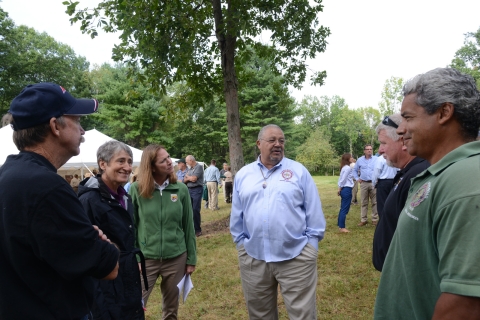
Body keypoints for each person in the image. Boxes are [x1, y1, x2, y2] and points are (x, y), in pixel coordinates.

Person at [0, 82, 119, 319]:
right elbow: (108, 267)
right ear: (55, 126)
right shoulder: (46, 188)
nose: (83, 131)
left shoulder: (8, 175)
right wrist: (102, 242)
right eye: (76, 120)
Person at [374, 68, 480, 319]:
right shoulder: (442, 173)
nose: (401, 130)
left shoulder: (467, 184)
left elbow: (465, 304)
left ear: (444, 112)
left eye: (408, 118)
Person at [230, 124, 326, 319]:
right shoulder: (243, 175)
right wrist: (241, 246)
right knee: (260, 315)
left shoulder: (298, 171)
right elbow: (237, 216)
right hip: (254, 258)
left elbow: (314, 212)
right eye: (272, 140)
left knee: (303, 315)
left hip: (296, 257)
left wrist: (311, 247)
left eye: (281, 141)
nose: (278, 144)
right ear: (259, 144)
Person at [78, 140, 147, 319]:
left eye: (130, 162)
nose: (127, 167)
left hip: (128, 275)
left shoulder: (125, 197)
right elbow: (85, 252)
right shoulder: (89, 201)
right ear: (103, 164)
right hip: (105, 285)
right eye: (121, 161)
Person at [129, 144, 197, 319]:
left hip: (176, 258)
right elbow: (132, 226)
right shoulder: (137, 190)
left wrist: (191, 259)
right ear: (151, 166)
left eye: (169, 157)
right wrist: (135, 257)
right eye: (163, 160)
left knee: (171, 309)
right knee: (134, 305)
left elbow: (188, 226)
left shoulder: (180, 189)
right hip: (146, 259)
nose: (170, 162)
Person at [372, 113, 429, 271]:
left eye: (383, 143)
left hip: (404, 271)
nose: (380, 150)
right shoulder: (408, 172)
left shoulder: (418, 174)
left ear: (402, 140)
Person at [352, 144, 378, 226]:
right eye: (367, 149)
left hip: (374, 183)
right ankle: (363, 219)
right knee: (364, 202)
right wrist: (357, 178)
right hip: (364, 183)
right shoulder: (359, 160)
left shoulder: (376, 159)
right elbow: (354, 170)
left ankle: (375, 219)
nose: (369, 150)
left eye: (371, 149)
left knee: (375, 202)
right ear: (364, 151)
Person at [371, 151, 397, 217]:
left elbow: (376, 172)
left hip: (383, 182)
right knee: (392, 202)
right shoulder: (394, 157)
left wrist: (373, 183)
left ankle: (383, 220)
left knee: (382, 203)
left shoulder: (380, 159)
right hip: (394, 181)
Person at [184, 155, 204, 236]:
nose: (186, 163)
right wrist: (189, 178)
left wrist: (188, 178)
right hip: (189, 190)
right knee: (189, 210)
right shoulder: (190, 169)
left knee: (195, 209)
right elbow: (184, 180)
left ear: (191, 160)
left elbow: (194, 179)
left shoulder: (198, 167)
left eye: (187, 161)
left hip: (197, 190)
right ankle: (191, 228)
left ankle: (197, 229)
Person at [337, 153, 354, 233]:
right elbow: (343, 179)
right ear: (347, 159)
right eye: (351, 157)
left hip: (344, 189)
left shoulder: (344, 167)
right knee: (344, 209)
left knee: (343, 208)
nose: (352, 158)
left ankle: (340, 224)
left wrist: (340, 188)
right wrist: (339, 188)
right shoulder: (347, 168)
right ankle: (342, 227)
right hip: (346, 189)